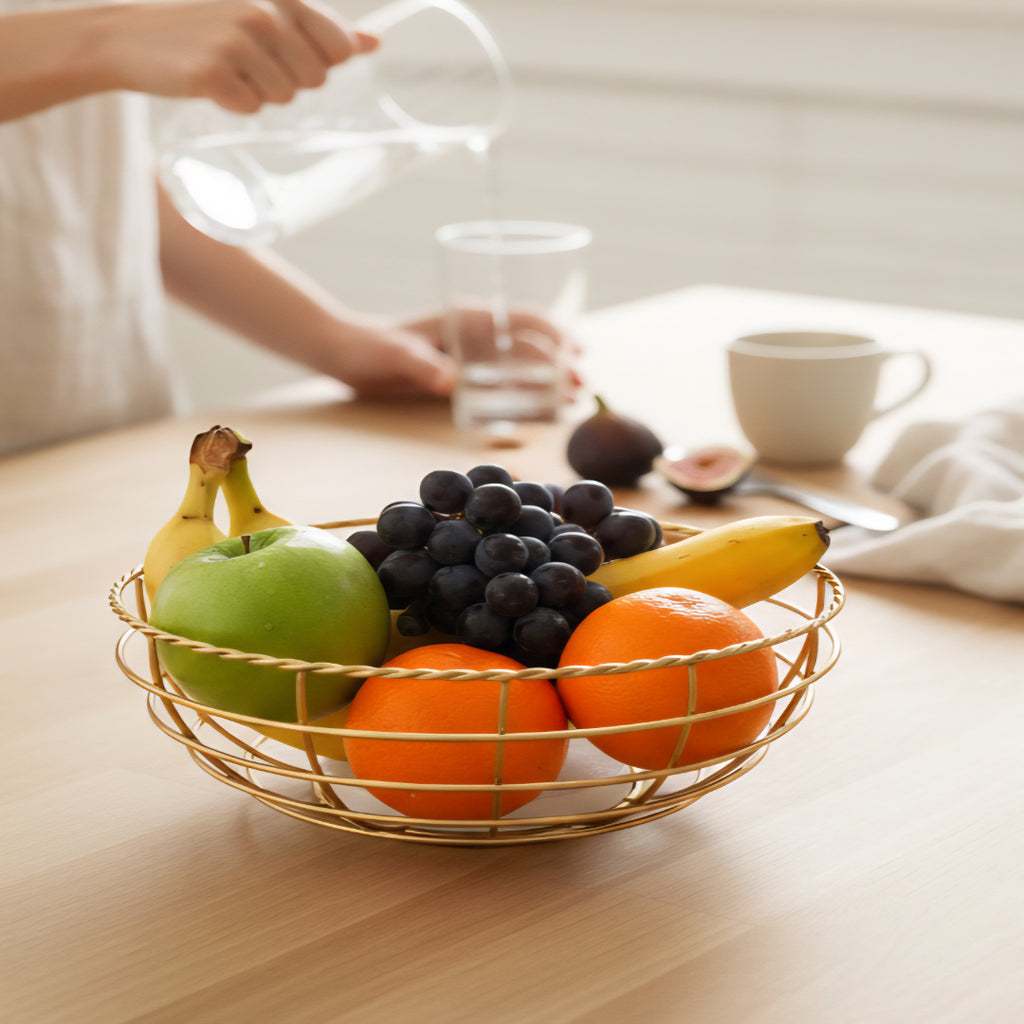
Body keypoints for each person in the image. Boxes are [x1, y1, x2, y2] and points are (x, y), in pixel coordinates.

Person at [0, 0, 572, 456]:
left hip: (112, 428)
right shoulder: (108, 33)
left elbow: (91, 171)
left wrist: (335, 339)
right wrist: (103, 38)